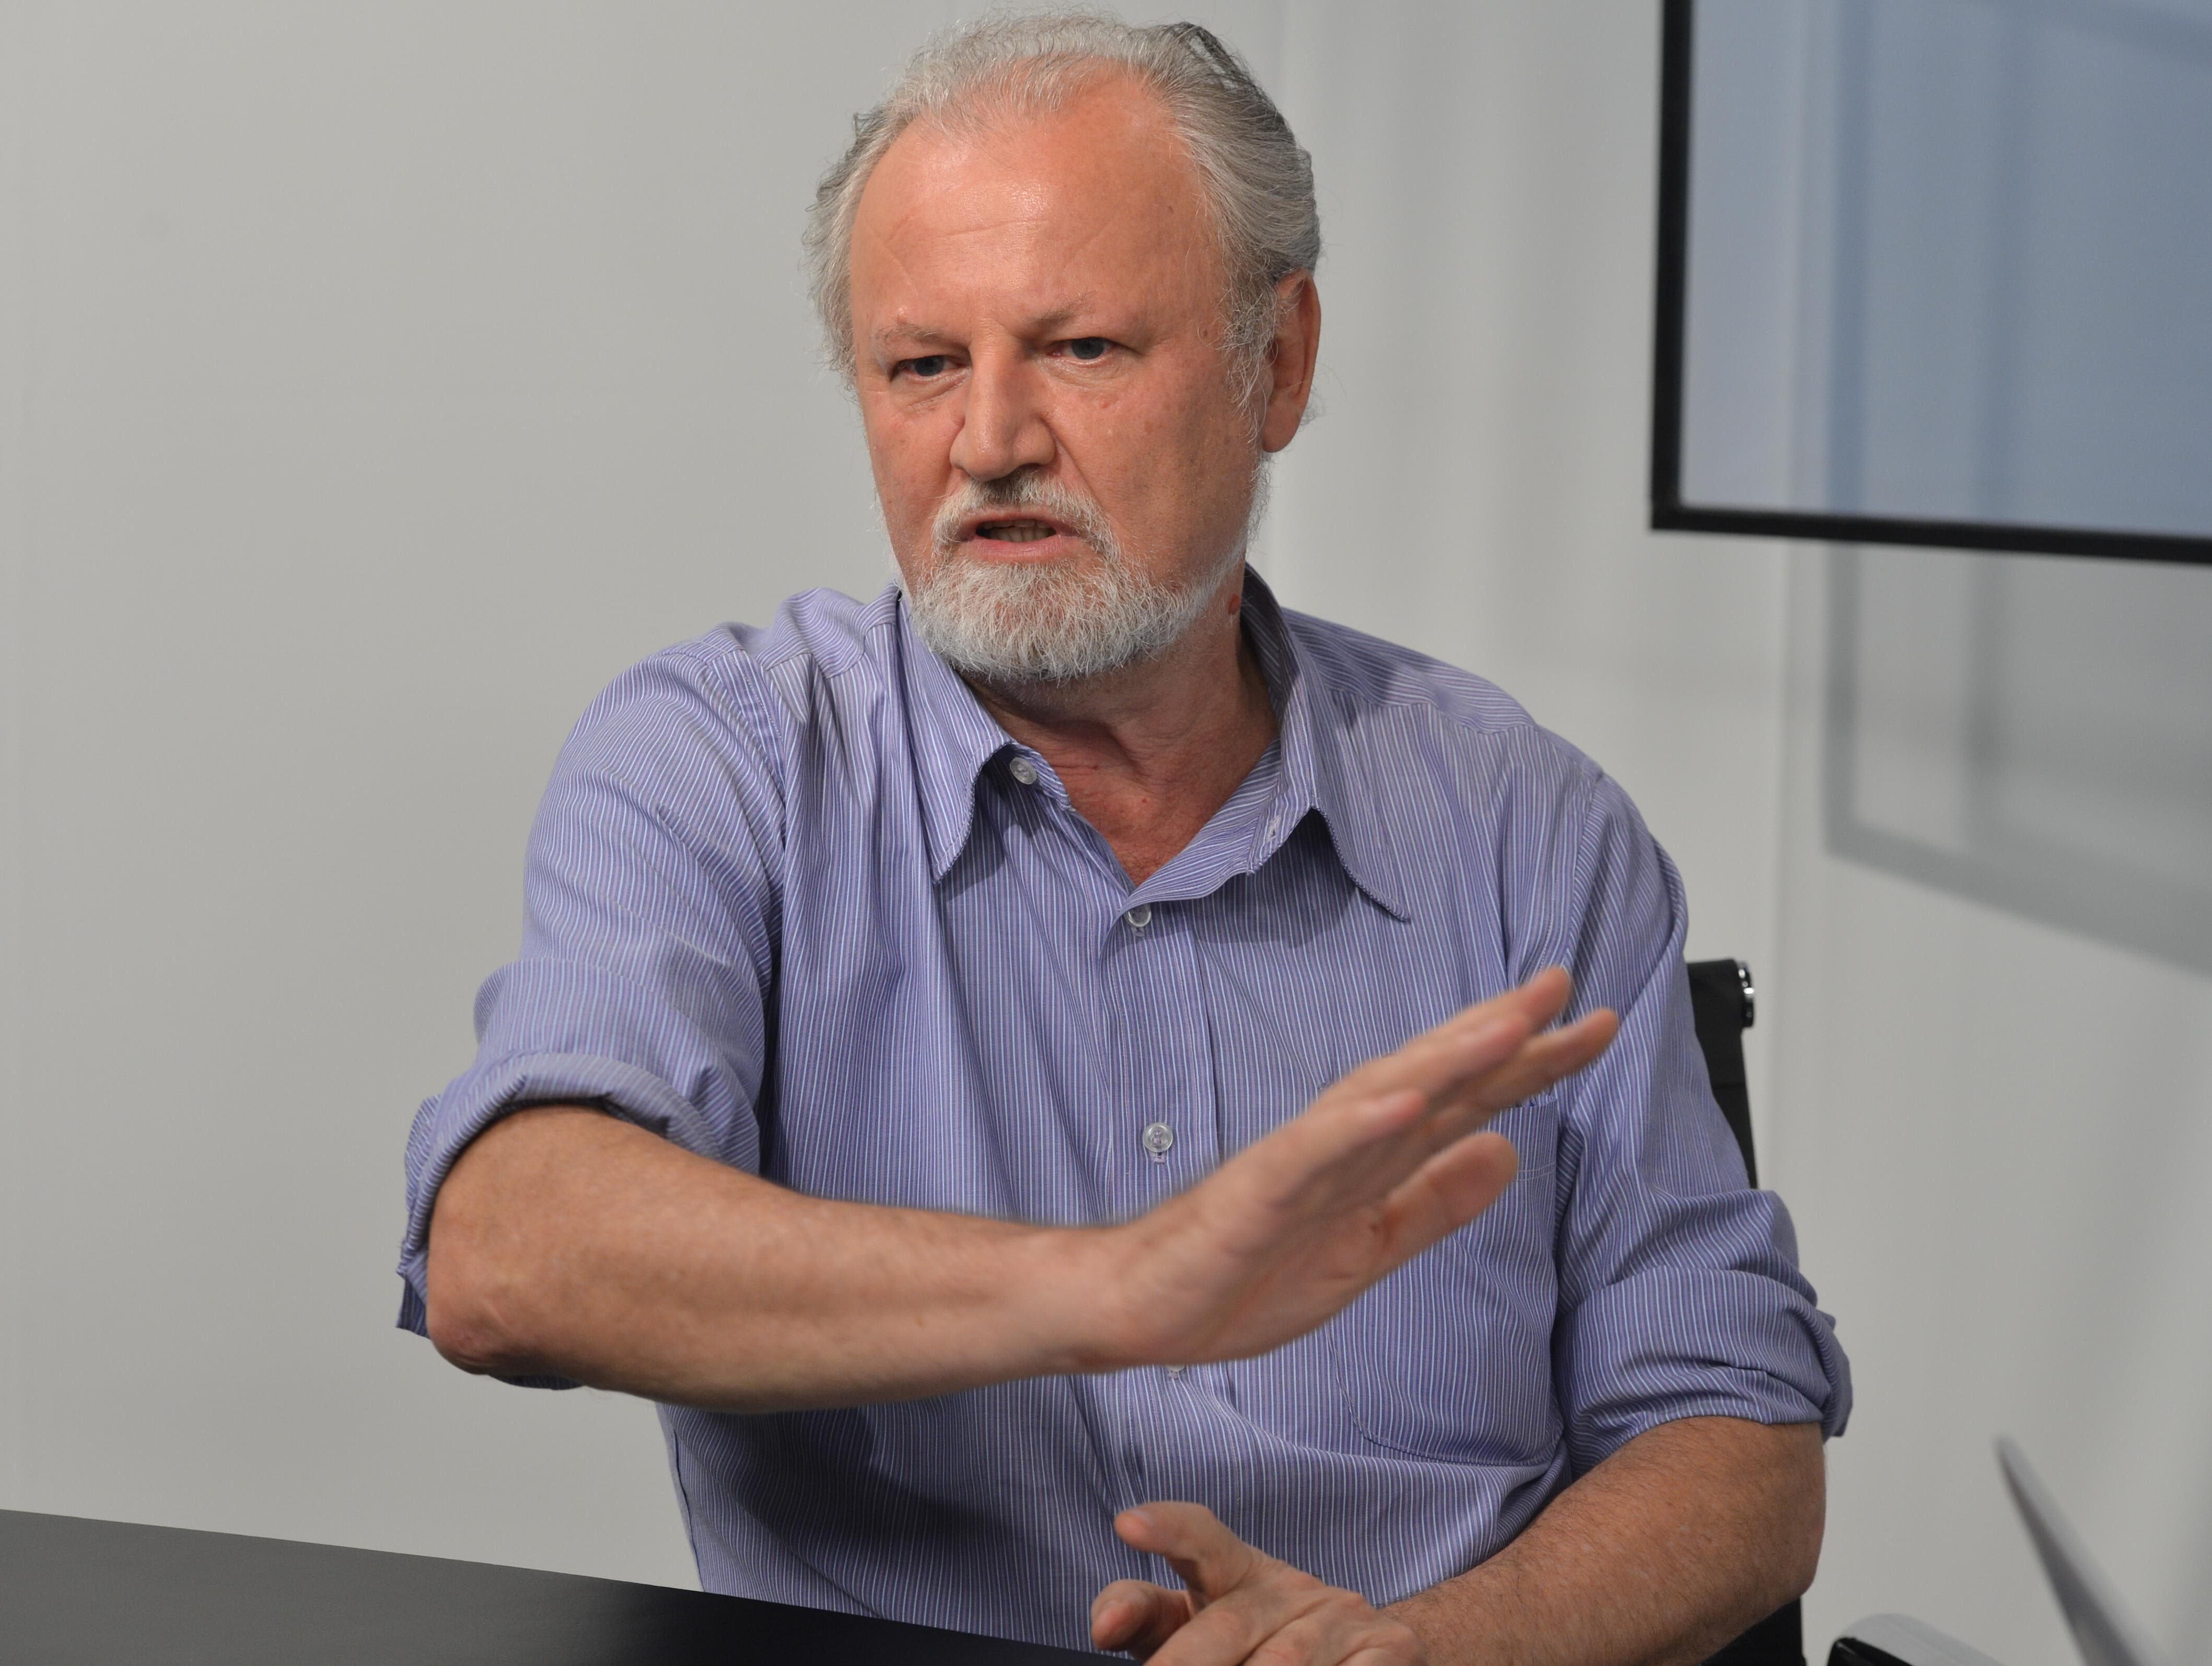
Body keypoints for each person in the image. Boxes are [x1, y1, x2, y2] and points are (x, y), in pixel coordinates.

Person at [399, 16, 1849, 1664]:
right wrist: (1117, 1287)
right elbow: (506, 1257)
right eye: (920, 366)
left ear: (1275, 365)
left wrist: (1421, 1654)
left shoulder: (1527, 825)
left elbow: (1737, 1440)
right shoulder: (728, 762)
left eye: (1079, 348)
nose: (989, 441)